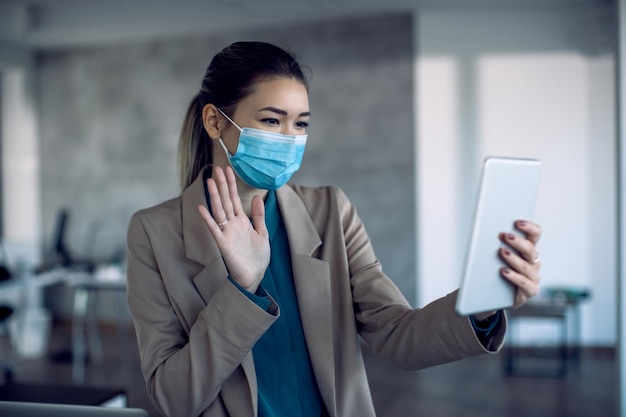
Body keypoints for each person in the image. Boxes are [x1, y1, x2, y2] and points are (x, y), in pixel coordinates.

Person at [126, 41, 542, 417]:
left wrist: (481, 303)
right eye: (272, 121)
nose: (290, 138)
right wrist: (242, 290)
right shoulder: (153, 233)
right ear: (215, 122)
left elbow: (396, 332)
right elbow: (174, 397)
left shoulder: (331, 211)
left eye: (301, 124)